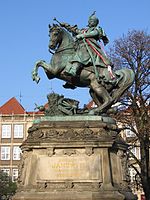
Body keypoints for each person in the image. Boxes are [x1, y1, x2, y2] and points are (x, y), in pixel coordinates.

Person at [60, 12, 114, 88]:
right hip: (81, 47)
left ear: (95, 22)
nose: (90, 22)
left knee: (81, 55)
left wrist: (83, 35)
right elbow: (75, 30)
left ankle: (73, 71)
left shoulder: (97, 29)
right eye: (90, 21)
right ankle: (70, 80)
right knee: (70, 57)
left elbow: (94, 33)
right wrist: (65, 25)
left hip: (90, 48)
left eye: (92, 21)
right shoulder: (84, 30)